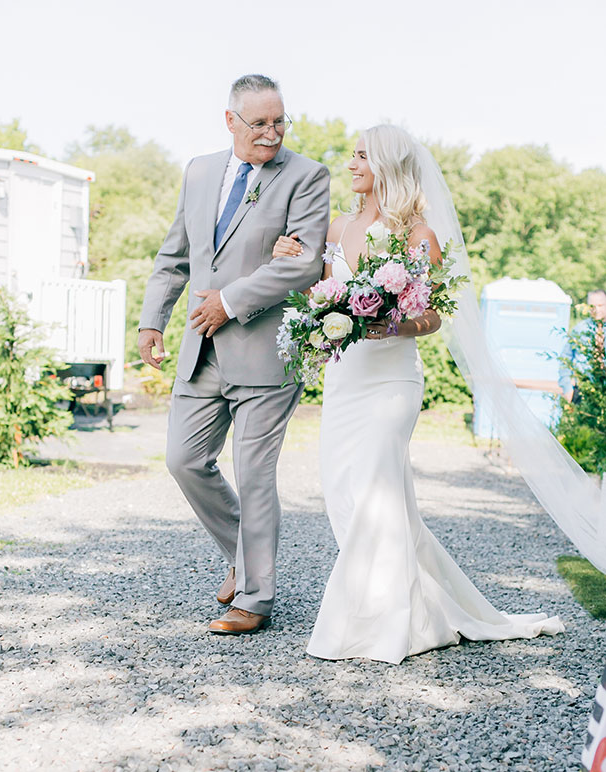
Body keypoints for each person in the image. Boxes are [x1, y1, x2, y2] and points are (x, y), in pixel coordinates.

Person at [273, 124, 563, 663]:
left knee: (378, 493)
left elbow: (430, 317)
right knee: (343, 492)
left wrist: (385, 323)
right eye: (352, 155)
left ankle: (379, 626)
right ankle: (424, 606)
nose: (351, 163)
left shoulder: (417, 235)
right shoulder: (336, 229)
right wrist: (290, 255)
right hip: (344, 380)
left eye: (363, 156)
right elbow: (316, 294)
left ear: (387, 167)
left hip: (390, 382)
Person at [138, 74, 330, 635]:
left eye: (279, 121)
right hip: (201, 347)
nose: (272, 134)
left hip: (267, 351)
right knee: (183, 460)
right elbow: (175, 254)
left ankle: (255, 598)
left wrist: (230, 300)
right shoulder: (199, 171)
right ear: (230, 121)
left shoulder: (307, 176)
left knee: (253, 473)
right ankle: (245, 558)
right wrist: (153, 319)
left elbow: (302, 262)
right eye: (260, 123)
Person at [558, 289, 606, 403]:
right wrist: (567, 388)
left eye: (600, 305)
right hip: (581, 390)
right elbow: (565, 359)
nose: (596, 310)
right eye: (592, 306)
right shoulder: (580, 329)